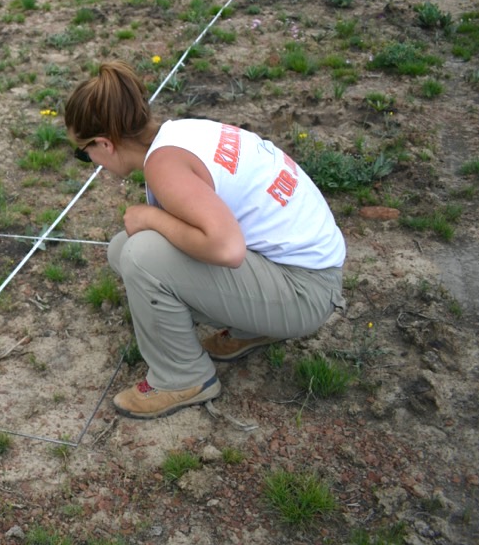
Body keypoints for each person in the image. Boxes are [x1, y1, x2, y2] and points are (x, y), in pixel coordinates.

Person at [65, 61, 346, 419]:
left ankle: (182, 378)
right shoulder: (181, 133)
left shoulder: (163, 165)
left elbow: (226, 249)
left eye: (83, 152)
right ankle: (253, 327)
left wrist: (150, 216)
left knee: (139, 255)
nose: (89, 160)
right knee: (125, 250)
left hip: (306, 293)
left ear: (105, 143)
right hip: (305, 274)